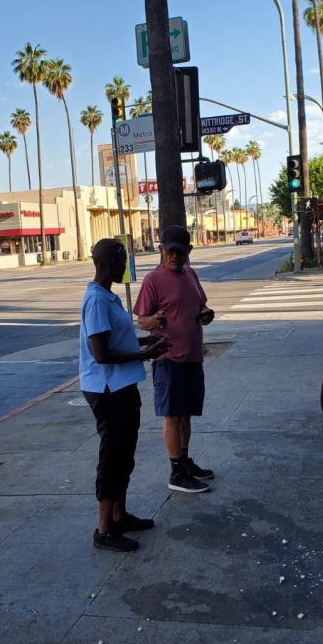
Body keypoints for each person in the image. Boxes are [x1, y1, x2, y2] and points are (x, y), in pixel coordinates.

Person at [80, 238, 170, 552]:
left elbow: (121, 340)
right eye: (123, 260)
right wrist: (144, 356)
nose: (126, 266)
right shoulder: (96, 300)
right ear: (112, 261)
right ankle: (104, 530)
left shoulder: (109, 297)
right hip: (106, 390)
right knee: (112, 458)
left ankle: (120, 516)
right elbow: (101, 354)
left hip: (122, 387)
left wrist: (149, 344)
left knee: (125, 455)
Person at [134, 225, 215, 494]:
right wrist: (152, 321)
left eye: (180, 252)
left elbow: (199, 304)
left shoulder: (191, 274)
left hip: (192, 356)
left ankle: (184, 460)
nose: (175, 256)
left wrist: (205, 313)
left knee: (186, 415)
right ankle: (175, 472)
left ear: (189, 251)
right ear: (161, 250)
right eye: (170, 251)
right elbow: (141, 320)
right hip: (167, 358)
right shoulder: (152, 280)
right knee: (171, 416)